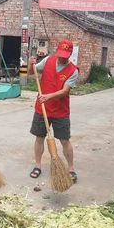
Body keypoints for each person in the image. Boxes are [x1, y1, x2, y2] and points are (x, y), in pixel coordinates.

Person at [27, 39, 79, 183]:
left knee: (64, 140)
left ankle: (71, 168)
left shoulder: (73, 70)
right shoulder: (48, 60)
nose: (62, 58)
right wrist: (31, 64)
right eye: (60, 54)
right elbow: (32, 73)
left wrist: (48, 96)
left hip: (60, 111)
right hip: (42, 108)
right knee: (39, 137)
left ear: (69, 54)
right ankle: (37, 165)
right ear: (57, 51)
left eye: (65, 55)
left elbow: (65, 91)